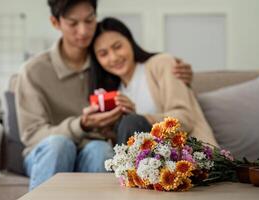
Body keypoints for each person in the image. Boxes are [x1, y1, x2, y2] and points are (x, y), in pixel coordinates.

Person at [15, 0, 194, 191]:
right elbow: (32, 136)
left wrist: (182, 75)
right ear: (55, 22)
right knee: (60, 145)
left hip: (90, 148)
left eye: (89, 20)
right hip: (48, 152)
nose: (83, 31)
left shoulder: (105, 67)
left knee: (100, 150)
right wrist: (81, 125)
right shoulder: (33, 71)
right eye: (73, 23)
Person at [89, 17, 219, 146]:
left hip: (188, 154)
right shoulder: (113, 93)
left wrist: (140, 120)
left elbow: (185, 118)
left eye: (117, 47)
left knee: (131, 121)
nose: (113, 57)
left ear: (130, 42)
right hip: (146, 161)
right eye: (103, 54)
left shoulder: (162, 63)